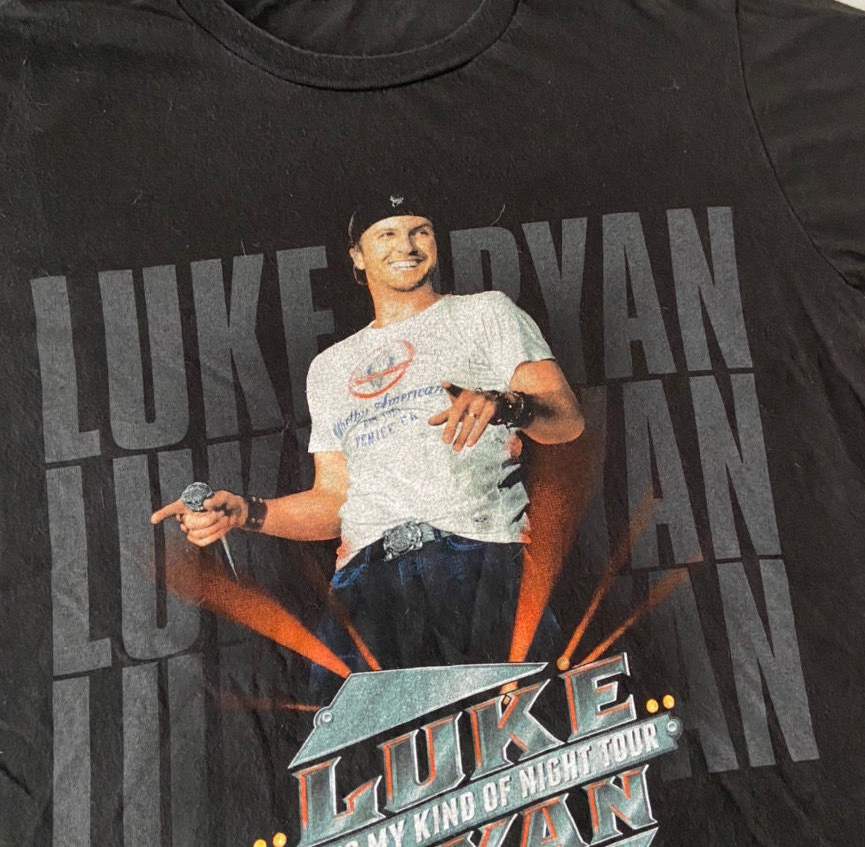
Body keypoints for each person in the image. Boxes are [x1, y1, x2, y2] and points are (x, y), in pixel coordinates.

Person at [151, 198, 585, 698]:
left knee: (511, 729)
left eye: (420, 231)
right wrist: (246, 512)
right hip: (365, 586)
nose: (407, 246)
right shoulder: (331, 368)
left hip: (476, 557)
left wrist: (508, 406)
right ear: (357, 256)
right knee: (364, 742)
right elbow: (334, 501)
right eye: (387, 234)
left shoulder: (484, 313)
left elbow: (567, 421)